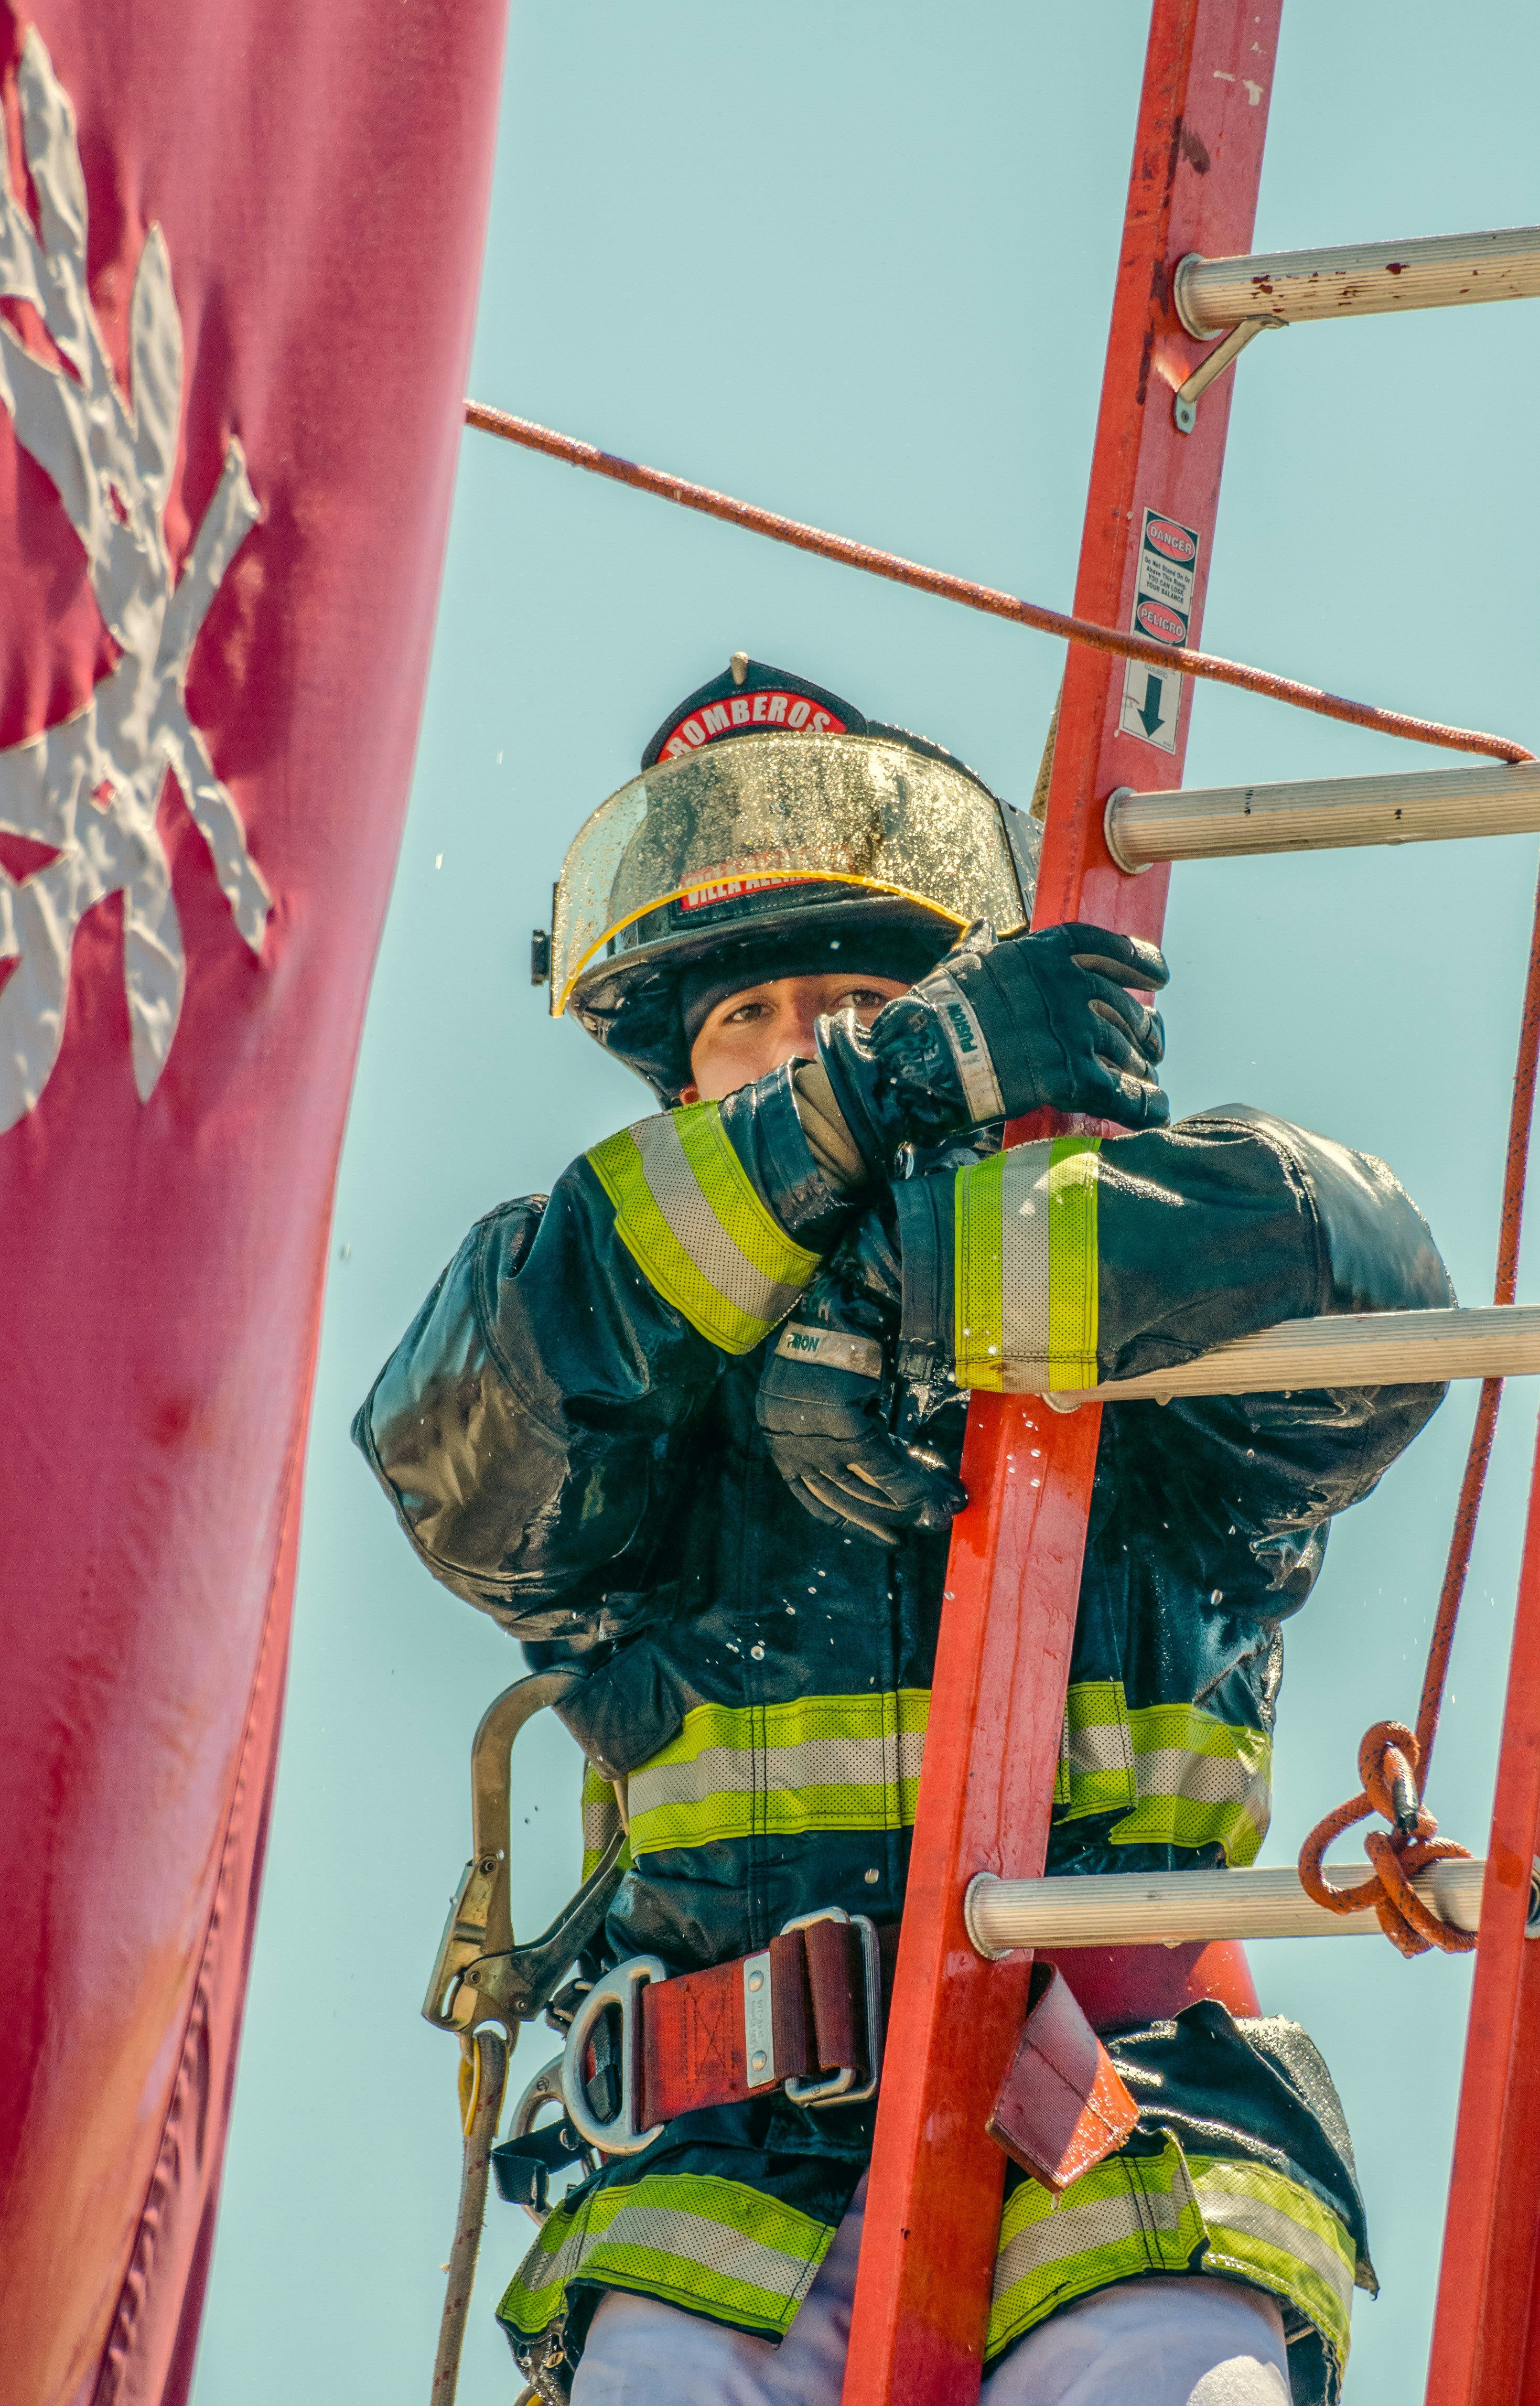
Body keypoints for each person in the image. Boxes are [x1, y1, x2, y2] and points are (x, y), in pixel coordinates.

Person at [356, 661, 1454, 2406]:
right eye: (756, 1020)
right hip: (719, 2214)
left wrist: (923, 1292)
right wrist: (861, 1112)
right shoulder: (613, 1359)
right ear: (675, 1090)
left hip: (1120, 2161)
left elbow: (1368, 1280)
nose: (806, 1041)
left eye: (860, 999)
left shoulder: (1147, 1329)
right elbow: (459, 1440)